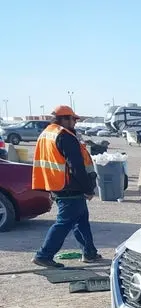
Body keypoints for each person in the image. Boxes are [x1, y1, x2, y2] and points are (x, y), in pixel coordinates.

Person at [31, 105, 103, 268]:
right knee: (64, 222)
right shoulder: (64, 136)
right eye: (73, 119)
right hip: (69, 186)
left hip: (56, 184)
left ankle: (89, 252)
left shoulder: (47, 133)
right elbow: (76, 166)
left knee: (81, 220)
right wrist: (88, 189)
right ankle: (44, 255)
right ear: (63, 119)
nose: (75, 123)